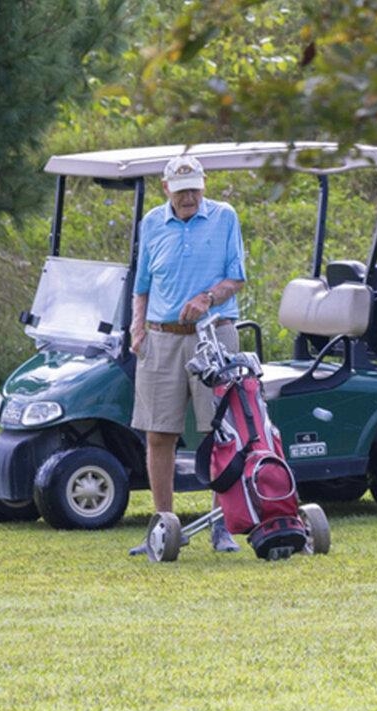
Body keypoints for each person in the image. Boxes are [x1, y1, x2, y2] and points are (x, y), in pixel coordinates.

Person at [130, 154, 246, 551]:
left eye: (195, 189)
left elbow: (237, 277)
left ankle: (223, 525)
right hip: (161, 338)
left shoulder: (224, 216)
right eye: (181, 191)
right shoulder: (152, 224)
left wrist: (207, 298)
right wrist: (137, 327)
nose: (189, 197)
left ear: (204, 185)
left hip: (213, 334)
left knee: (220, 431)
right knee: (159, 433)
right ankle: (163, 528)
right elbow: (142, 283)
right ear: (167, 190)